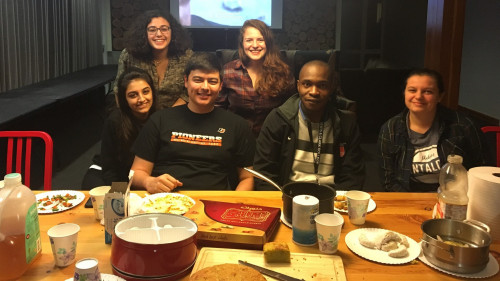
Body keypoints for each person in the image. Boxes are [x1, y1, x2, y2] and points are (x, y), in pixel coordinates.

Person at [130, 52, 255, 193]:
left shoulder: (237, 125)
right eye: (198, 80)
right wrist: (149, 182)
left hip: (216, 205)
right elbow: (136, 173)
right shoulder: (160, 120)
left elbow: (247, 178)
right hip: (165, 202)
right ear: (186, 81)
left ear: (220, 86)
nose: (205, 87)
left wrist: (232, 205)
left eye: (212, 81)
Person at [254, 60, 365, 191]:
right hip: (289, 197)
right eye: (307, 84)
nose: (314, 92)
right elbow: (264, 173)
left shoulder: (346, 123)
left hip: (332, 199)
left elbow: (353, 175)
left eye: (322, 85)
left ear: (332, 87)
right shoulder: (278, 120)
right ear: (298, 86)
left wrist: (338, 204)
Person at [378, 68, 491, 192]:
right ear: (404, 93)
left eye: (428, 91)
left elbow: (483, 171)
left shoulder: (463, 126)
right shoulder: (390, 129)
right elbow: (388, 180)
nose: (419, 96)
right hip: (408, 195)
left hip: (455, 196)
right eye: (412, 90)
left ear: (440, 96)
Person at [81, 67, 157, 189]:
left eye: (146, 92)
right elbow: (110, 168)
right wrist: (119, 195)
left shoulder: (160, 117)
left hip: (140, 176)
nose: (141, 99)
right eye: (133, 95)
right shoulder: (115, 121)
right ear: (124, 99)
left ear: (152, 92)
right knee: (109, 204)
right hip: (110, 173)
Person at [216, 19, 294, 137]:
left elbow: (290, 111)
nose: (255, 45)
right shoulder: (228, 71)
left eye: (260, 40)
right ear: (242, 44)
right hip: (235, 139)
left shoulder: (283, 72)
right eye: (249, 40)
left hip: (271, 141)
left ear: (268, 43)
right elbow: (218, 109)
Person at [115, 10, 193, 109]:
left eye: (164, 29)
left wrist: (166, 117)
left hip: (174, 115)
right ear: (143, 33)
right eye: (152, 30)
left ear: (172, 32)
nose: (159, 34)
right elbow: (119, 91)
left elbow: (189, 91)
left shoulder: (186, 56)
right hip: (138, 117)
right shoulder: (129, 55)